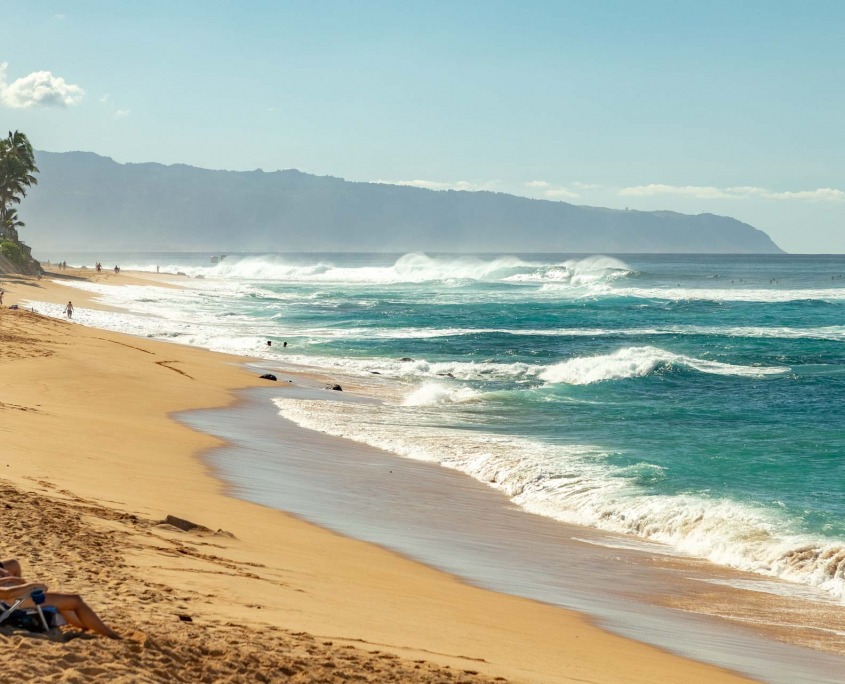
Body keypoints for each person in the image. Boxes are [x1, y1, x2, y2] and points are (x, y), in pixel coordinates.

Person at [0, 574, 120, 639]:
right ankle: (111, 635)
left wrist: (8, 580)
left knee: (62, 603)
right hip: (11, 603)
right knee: (75, 600)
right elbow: (7, 593)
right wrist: (32, 585)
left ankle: (87, 625)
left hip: (7, 601)